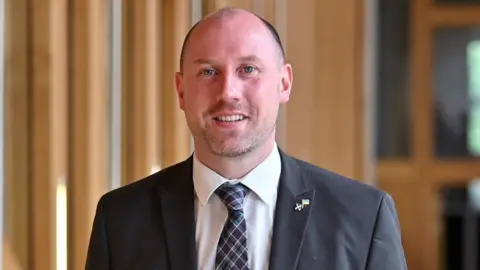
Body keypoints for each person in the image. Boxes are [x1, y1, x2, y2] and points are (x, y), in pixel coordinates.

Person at [86, 7, 407, 270]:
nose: (228, 92)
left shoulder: (363, 218)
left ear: (283, 84)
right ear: (181, 91)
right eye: (209, 72)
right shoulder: (120, 220)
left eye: (248, 69)